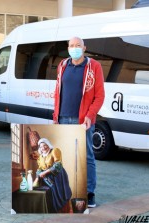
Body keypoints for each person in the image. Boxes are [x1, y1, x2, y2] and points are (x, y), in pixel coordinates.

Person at [53, 36, 105, 208]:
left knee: (86, 156)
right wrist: (56, 116)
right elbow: (58, 92)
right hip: (63, 118)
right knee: (65, 156)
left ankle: (89, 193)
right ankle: (70, 191)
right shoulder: (63, 65)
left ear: (84, 48)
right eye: (71, 45)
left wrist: (89, 116)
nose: (74, 48)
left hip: (83, 120)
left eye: (77, 45)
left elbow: (99, 96)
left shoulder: (94, 66)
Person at [32, 138, 72, 213]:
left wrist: (44, 173)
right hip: (47, 178)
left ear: (48, 145)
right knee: (50, 195)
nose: (43, 148)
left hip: (58, 176)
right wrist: (38, 176)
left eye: (45, 145)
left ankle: (63, 211)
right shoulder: (40, 157)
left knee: (60, 194)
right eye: (41, 147)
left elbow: (58, 165)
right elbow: (40, 168)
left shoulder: (55, 151)